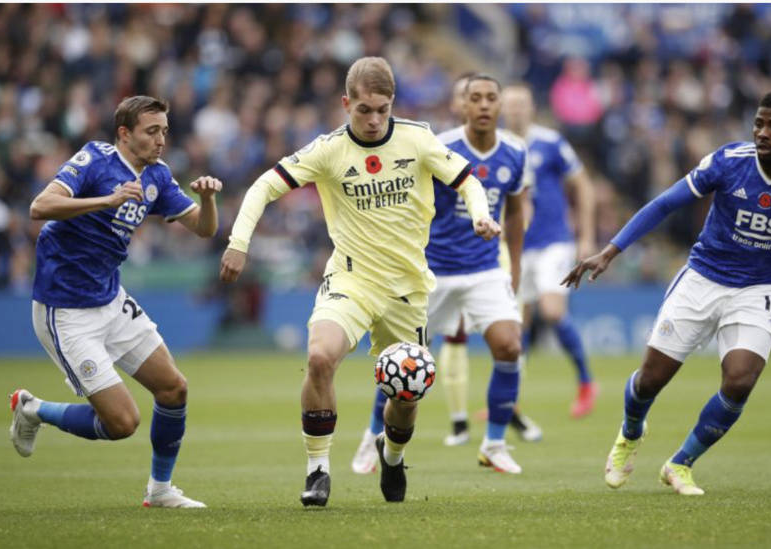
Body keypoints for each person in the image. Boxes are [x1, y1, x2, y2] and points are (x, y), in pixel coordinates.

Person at [219, 57, 499, 506]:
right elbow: (263, 187)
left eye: (382, 110)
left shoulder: (417, 139)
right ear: (346, 103)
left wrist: (481, 216)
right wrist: (239, 241)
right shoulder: (328, 149)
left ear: (393, 105)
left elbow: (468, 181)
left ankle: (392, 455)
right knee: (318, 357)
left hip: (407, 289)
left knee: (406, 394)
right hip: (350, 279)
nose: (373, 120)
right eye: (363, 110)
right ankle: (317, 469)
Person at [564, 90, 771, 496]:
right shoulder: (728, 162)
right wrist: (610, 250)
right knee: (650, 381)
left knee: (740, 381)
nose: (762, 132)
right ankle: (630, 434)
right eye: (759, 123)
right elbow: (665, 203)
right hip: (703, 278)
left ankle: (680, 463)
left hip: (757, 289)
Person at [9, 96, 222, 508]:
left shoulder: (157, 175)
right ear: (124, 134)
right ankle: (33, 409)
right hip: (66, 310)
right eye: (151, 131)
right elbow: (40, 206)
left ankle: (160, 490)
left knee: (174, 389)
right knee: (122, 423)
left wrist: (209, 198)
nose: (161, 140)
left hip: (110, 300)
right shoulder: (95, 159)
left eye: (164, 130)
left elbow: (204, 230)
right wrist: (105, 201)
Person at [352, 75, 528, 474]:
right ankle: (372, 437)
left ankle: (494, 443)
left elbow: (515, 212)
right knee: (402, 361)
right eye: (475, 98)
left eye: (491, 98)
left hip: (485, 269)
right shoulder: (440, 146)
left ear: (500, 106)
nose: (483, 105)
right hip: (431, 272)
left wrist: (514, 267)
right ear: (461, 105)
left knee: (509, 346)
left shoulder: (516, 152)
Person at [502, 83, 598, 421]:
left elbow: (583, 185)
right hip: (517, 248)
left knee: (553, 310)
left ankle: (587, 382)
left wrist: (586, 235)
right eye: (510, 105)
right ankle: (508, 401)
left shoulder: (551, 143)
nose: (515, 111)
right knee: (516, 327)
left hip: (555, 240)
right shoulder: (497, 146)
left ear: (531, 108)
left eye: (521, 105)